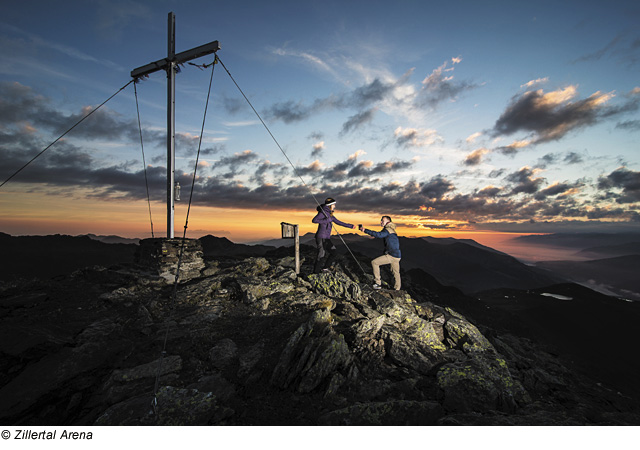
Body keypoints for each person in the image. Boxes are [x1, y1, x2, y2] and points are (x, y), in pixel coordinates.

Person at [312, 197, 355, 273]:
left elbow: (339, 222)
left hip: (327, 238)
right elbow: (314, 220)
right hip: (321, 237)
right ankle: (315, 272)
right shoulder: (323, 213)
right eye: (334, 204)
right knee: (321, 254)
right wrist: (327, 220)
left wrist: (351, 226)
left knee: (334, 252)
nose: (335, 206)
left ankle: (325, 268)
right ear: (330, 205)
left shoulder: (330, 214)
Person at [358, 216, 402, 290]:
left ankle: (377, 283)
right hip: (397, 255)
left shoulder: (388, 230)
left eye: (382, 221)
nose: (381, 222)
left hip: (391, 255)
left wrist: (365, 230)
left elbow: (378, 235)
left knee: (374, 262)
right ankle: (397, 289)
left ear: (388, 222)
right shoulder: (392, 230)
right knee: (396, 273)